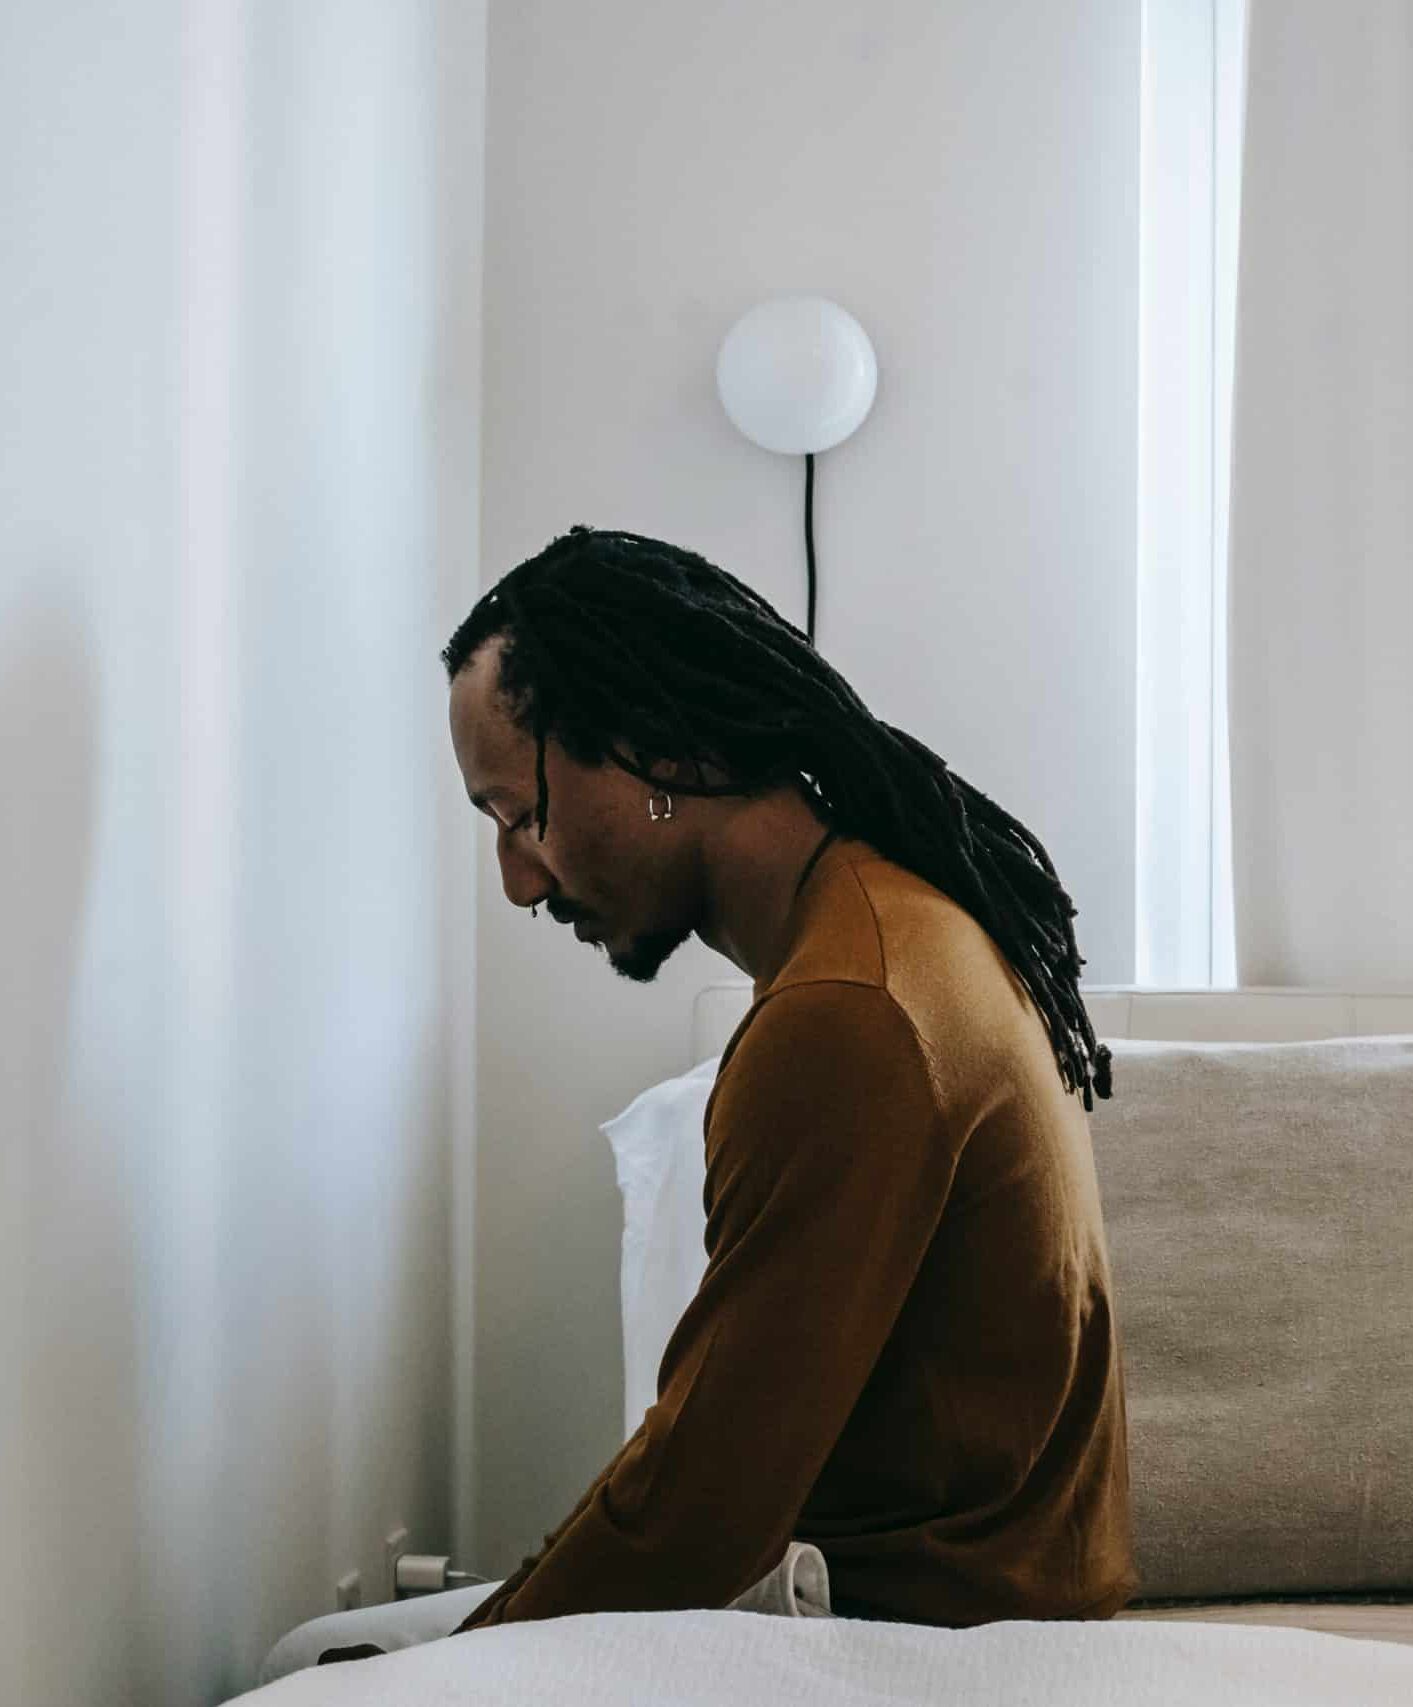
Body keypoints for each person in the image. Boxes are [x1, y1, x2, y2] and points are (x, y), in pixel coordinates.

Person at [265, 526, 1132, 1679]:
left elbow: (696, 1517)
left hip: (907, 1641)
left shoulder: (846, 1015)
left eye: (520, 818)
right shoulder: (900, 921)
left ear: (652, 748)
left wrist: (467, 1662)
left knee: (313, 1667)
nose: (518, 882)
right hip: (970, 1601)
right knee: (314, 1650)